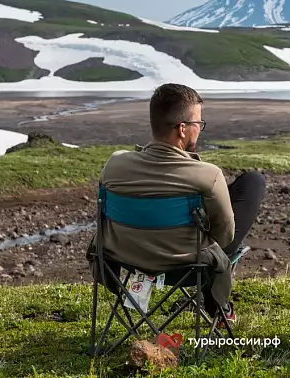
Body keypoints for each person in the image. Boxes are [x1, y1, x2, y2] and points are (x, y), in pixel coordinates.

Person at [90, 83, 265, 323]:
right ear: (182, 129)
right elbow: (225, 238)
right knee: (253, 182)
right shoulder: (208, 175)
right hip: (188, 268)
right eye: (198, 124)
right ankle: (217, 305)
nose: (200, 130)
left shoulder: (114, 165)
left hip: (124, 260)